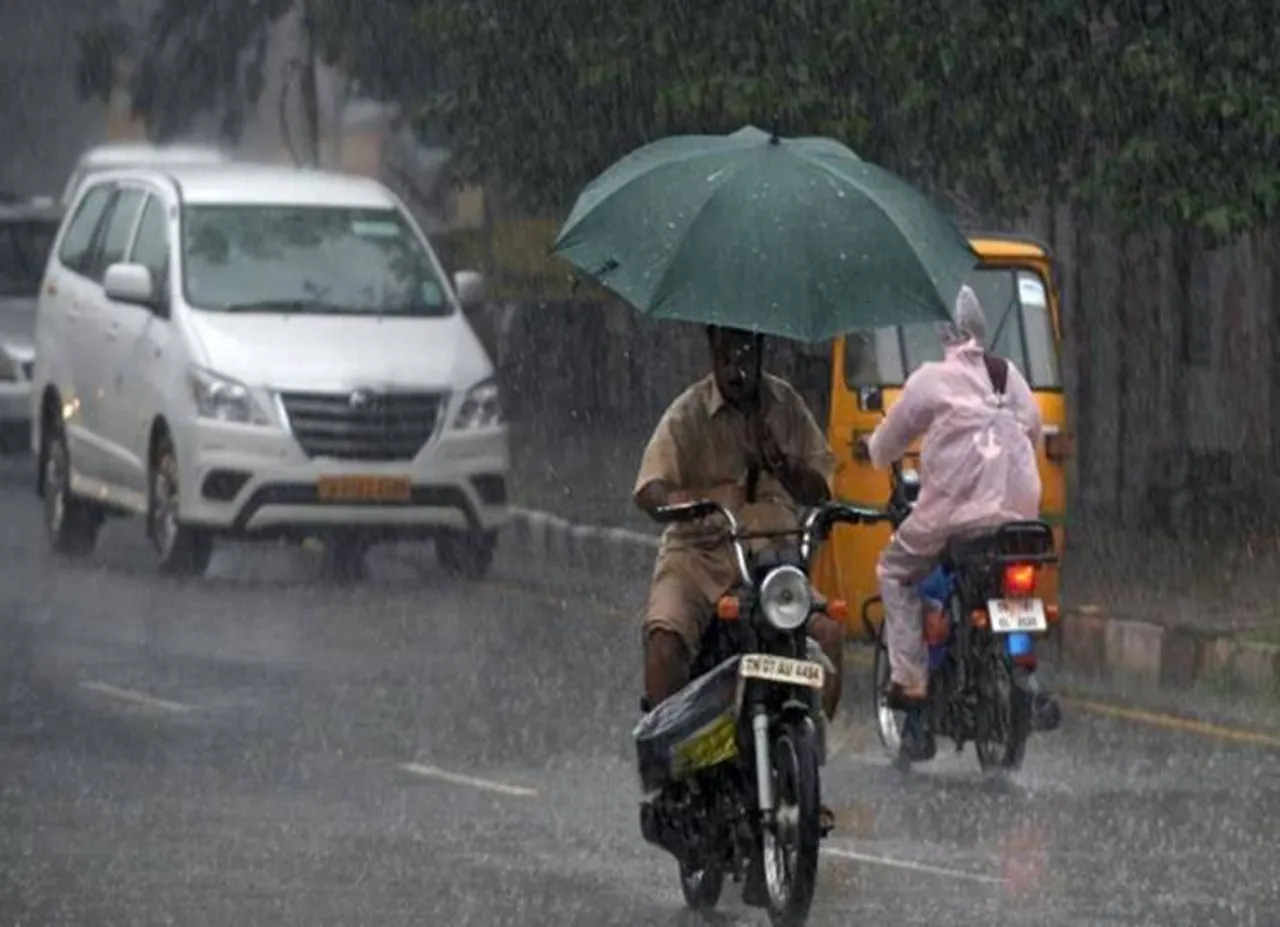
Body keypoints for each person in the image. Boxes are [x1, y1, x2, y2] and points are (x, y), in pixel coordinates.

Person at [865, 284, 1044, 761]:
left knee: (894, 572)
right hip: (1019, 520)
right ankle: (1021, 665)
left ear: (943, 332)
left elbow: (887, 444)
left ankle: (911, 682)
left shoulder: (931, 379)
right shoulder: (1011, 374)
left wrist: (874, 451)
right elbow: (1034, 430)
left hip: (955, 516)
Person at [633, 325, 844, 722]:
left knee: (829, 634)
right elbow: (649, 489)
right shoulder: (688, 413)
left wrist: (782, 462)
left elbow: (820, 490)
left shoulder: (786, 406)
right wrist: (689, 502)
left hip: (770, 560)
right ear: (711, 352)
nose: (736, 370)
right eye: (726, 358)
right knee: (664, 641)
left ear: (761, 352)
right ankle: (672, 760)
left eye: (744, 357)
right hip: (698, 556)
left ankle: (809, 744)